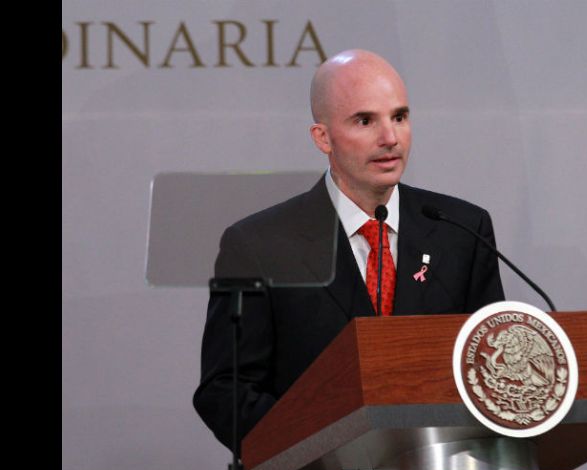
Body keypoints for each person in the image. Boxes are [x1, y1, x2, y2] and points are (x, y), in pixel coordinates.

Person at [193, 49, 505, 449]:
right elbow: (226, 389)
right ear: (322, 137)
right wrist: (322, 447)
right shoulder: (259, 245)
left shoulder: (462, 230)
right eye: (364, 121)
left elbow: (490, 371)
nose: (390, 138)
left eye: (399, 117)